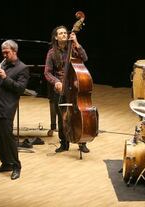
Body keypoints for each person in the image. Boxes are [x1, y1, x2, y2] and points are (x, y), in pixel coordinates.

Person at [0, 40, 29, 180]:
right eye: (3, 52)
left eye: (7, 52)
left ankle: (16, 166)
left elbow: (20, 88)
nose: (4, 55)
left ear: (14, 51)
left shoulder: (22, 68)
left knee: (8, 137)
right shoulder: (2, 64)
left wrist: (4, 77)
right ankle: (5, 163)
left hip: (7, 107)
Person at [44, 25, 90, 153]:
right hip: (61, 88)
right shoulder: (52, 52)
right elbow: (47, 72)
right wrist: (56, 82)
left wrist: (76, 42)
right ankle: (64, 143)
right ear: (56, 37)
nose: (64, 35)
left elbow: (85, 58)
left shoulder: (74, 49)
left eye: (65, 33)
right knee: (62, 117)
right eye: (61, 33)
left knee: (79, 114)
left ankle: (82, 142)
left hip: (75, 87)